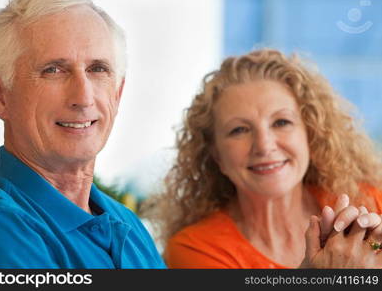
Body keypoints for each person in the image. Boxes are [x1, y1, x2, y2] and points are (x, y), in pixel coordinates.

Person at [0, 0, 165, 269]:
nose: (83, 98)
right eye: (53, 70)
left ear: (117, 93)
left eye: (98, 69)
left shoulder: (126, 223)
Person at [144, 49, 382, 268]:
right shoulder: (195, 249)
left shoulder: (371, 202)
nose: (264, 145)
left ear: (309, 134)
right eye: (239, 130)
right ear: (216, 156)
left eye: (281, 122)